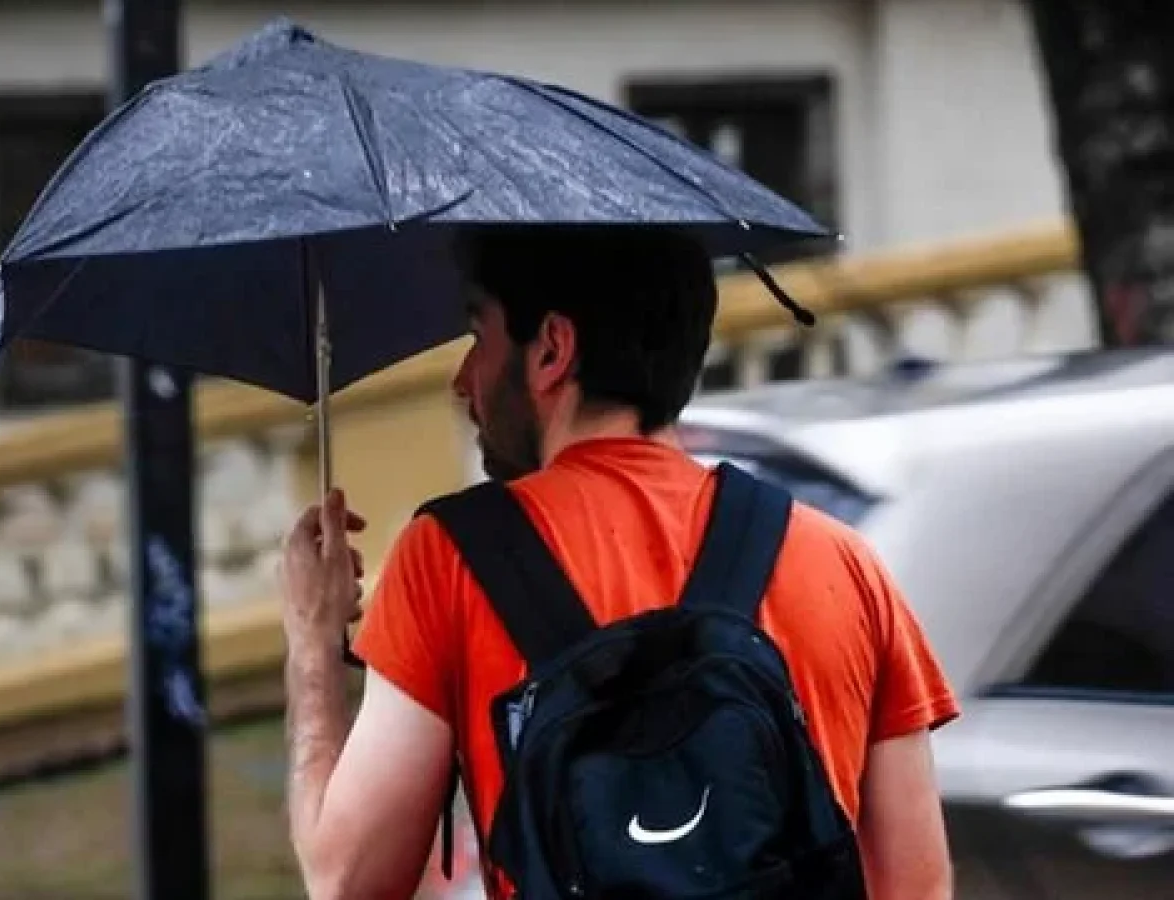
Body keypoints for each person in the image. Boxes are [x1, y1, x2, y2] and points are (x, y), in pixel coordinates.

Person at [278, 226, 959, 900]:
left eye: (479, 336)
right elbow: (917, 886)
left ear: (551, 349)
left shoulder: (449, 560)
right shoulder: (843, 565)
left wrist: (313, 646)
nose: (463, 380)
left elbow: (345, 883)